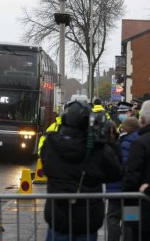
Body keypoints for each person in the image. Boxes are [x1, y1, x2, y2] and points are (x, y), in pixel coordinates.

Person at [41, 100, 121, 241]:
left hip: (59, 220)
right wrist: (110, 142)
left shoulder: (51, 144)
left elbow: (46, 168)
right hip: (87, 222)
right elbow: (115, 173)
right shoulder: (97, 149)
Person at [106, 117, 140, 241]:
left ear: (127, 129)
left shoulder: (124, 142)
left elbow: (121, 166)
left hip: (117, 188)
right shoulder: (139, 141)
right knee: (130, 219)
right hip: (132, 191)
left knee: (113, 217)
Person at [123, 100, 150, 240]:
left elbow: (131, 176)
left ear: (143, 119)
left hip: (139, 206)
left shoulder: (140, 143)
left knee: (134, 232)